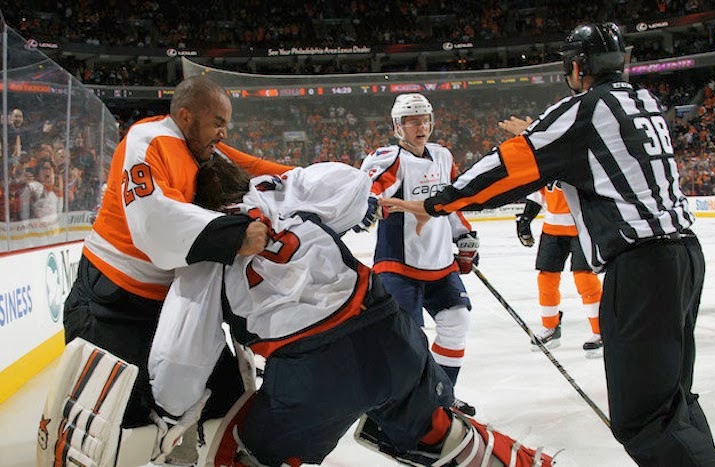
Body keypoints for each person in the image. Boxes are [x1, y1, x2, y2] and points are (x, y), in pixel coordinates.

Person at [379, 23, 715, 466]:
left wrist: (439, 204)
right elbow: (596, 156)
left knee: (646, 416)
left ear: (576, 67)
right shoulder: (645, 101)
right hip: (685, 257)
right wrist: (547, 137)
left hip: (643, 267)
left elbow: (507, 167)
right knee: (674, 400)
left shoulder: (581, 111)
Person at [148, 157, 553, 467]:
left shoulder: (204, 259)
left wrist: (169, 411)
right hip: (392, 338)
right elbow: (355, 187)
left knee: (244, 454)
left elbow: (179, 355)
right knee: (436, 430)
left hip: (313, 378)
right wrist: (279, 180)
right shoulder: (287, 197)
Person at [62, 75, 293, 431]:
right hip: (110, 303)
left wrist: (314, 182)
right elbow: (153, 219)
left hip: (164, 304)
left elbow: (255, 168)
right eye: (217, 123)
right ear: (186, 117)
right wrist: (233, 236)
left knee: (224, 395)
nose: (223, 134)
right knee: (118, 421)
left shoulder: (199, 148)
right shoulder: (148, 138)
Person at [357, 93, 479, 416]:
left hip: (440, 263)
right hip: (399, 265)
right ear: (398, 126)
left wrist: (464, 235)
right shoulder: (389, 159)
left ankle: (441, 396)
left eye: (424, 119)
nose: (421, 126)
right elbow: (368, 189)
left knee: (457, 321)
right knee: (407, 342)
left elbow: (451, 204)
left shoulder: (442, 156)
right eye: (412, 121)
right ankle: (402, 403)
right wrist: (366, 204)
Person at [515, 183, 603, 356]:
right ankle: (550, 326)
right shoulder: (548, 160)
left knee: (585, 278)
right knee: (546, 277)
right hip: (552, 228)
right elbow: (539, 192)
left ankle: (601, 331)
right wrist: (526, 218)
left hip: (583, 227)